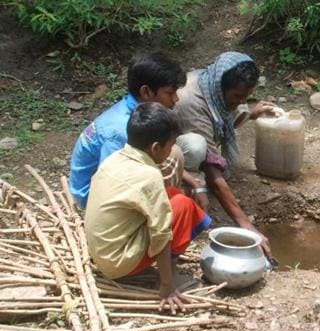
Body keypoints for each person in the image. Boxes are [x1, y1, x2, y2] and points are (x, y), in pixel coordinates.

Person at [85, 102, 212, 314]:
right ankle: (169, 273)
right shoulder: (149, 176)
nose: (172, 151)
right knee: (182, 204)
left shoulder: (115, 158)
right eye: (171, 146)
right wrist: (166, 287)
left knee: (172, 195)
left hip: (104, 254)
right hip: (120, 263)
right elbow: (160, 235)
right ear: (155, 147)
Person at [172, 52, 276, 257]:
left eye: (246, 96)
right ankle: (188, 189)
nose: (240, 101)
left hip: (190, 129)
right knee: (196, 146)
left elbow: (224, 117)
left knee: (231, 111)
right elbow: (212, 169)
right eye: (237, 96)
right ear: (222, 86)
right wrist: (246, 224)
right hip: (166, 152)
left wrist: (250, 113)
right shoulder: (193, 103)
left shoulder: (214, 83)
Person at [69, 52, 196, 208]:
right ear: (146, 92)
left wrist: (194, 182)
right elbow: (108, 183)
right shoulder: (120, 132)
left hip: (107, 180)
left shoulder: (138, 115)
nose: (175, 99)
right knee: (170, 157)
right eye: (170, 93)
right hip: (91, 196)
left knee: (173, 152)